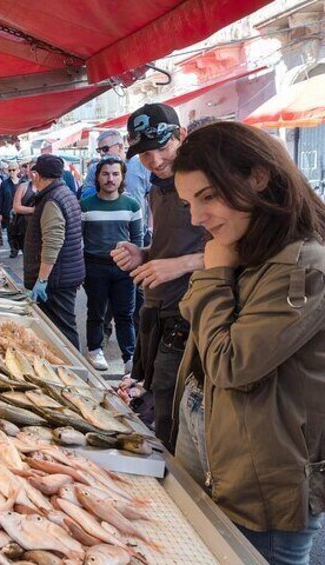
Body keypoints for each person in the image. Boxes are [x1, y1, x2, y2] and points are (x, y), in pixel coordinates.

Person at [172, 121, 325, 565]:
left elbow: (229, 363)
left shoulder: (305, 265)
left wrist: (214, 274)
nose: (197, 218)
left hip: (262, 483)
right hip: (212, 440)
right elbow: (194, 318)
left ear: (258, 177)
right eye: (188, 204)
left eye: (207, 197)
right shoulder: (247, 247)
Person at [110, 103, 205, 450]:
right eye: (145, 154)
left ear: (181, 136)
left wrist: (180, 265)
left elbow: (239, 249)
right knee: (154, 392)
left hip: (189, 311)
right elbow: (169, 244)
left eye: (162, 149)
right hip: (157, 307)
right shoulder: (157, 188)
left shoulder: (203, 183)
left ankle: (177, 483)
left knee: (170, 399)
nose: (155, 161)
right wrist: (145, 254)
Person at [81, 157, 142, 372]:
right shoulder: (86, 205)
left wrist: (135, 268)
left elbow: (138, 239)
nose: (110, 179)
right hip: (94, 267)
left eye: (115, 174)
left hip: (124, 269)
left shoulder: (132, 204)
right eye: (105, 174)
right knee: (96, 311)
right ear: (97, 177)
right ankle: (95, 349)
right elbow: (79, 239)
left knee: (125, 314)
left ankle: (129, 357)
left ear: (122, 177)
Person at [24, 155, 84, 350]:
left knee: (63, 330)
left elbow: (52, 242)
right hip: (65, 273)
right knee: (60, 326)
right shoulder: (64, 192)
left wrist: (42, 280)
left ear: (38, 175)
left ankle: (76, 373)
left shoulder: (52, 199)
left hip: (57, 278)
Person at [9, 163, 34, 258]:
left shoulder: (47, 188)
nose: (32, 172)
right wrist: (34, 210)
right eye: (31, 169)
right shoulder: (23, 186)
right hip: (24, 228)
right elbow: (16, 207)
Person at [0, 166, 16, 253]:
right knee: (10, 232)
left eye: (13, 170)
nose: (11, 172)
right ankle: (13, 249)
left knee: (21, 231)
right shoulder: (4, 183)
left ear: (18, 170)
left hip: (20, 212)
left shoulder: (23, 182)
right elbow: (0, 197)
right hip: (7, 211)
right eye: (10, 170)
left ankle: (20, 247)